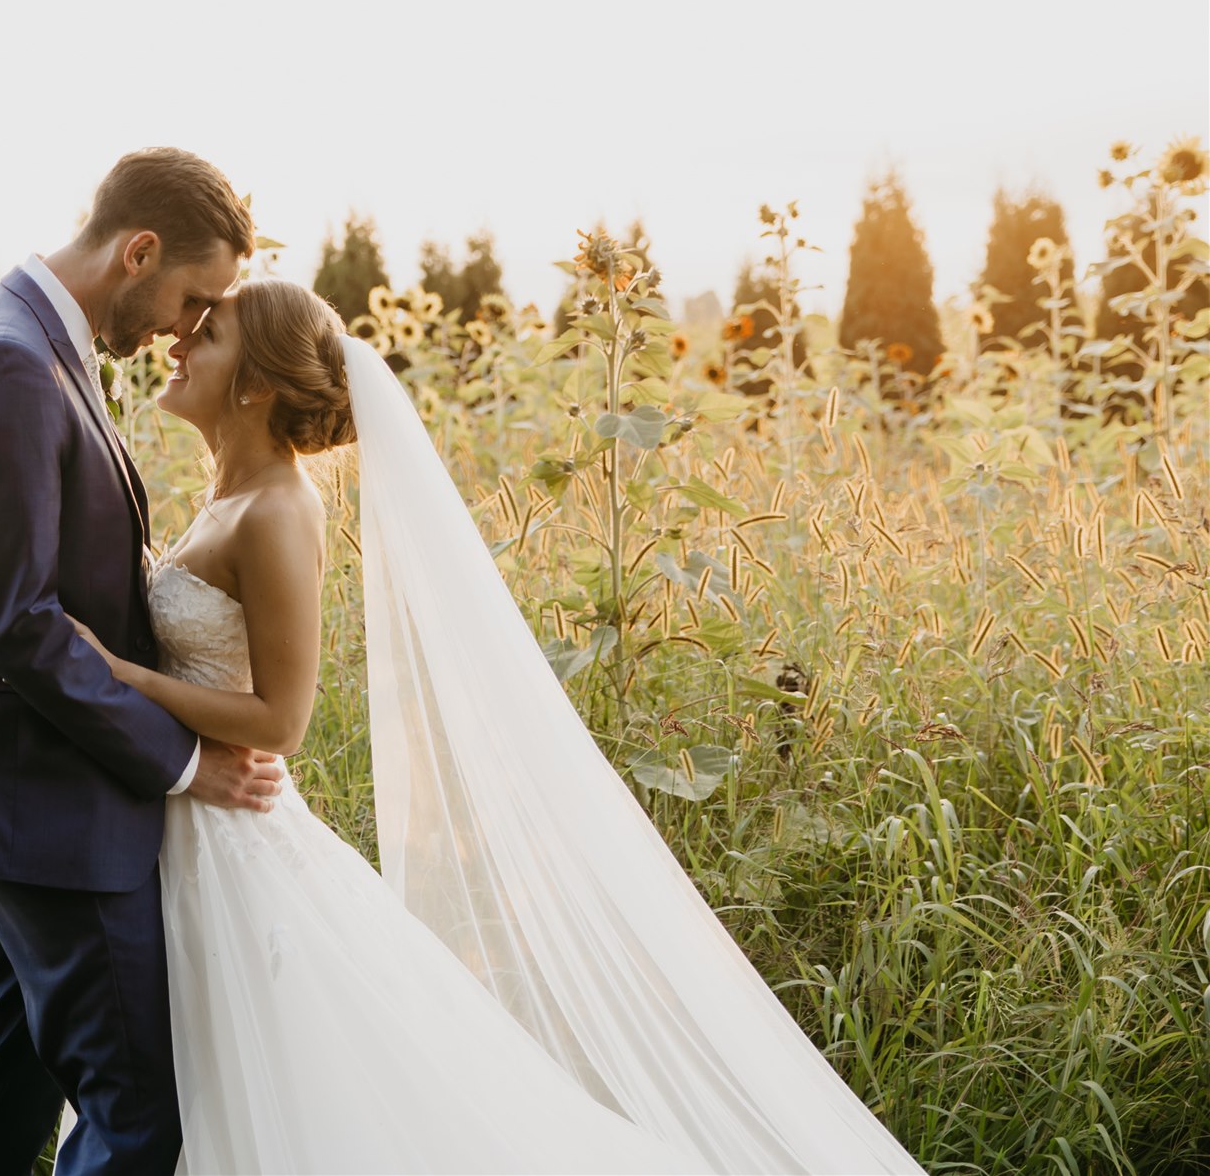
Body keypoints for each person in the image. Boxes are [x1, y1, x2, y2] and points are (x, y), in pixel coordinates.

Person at [64, 277, 927, 1174]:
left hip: (234, 835)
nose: (179, 342)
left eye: (209, 333)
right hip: (186, 824)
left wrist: (117, 674)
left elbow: (282, 718)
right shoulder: (231, 494)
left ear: (256, 382)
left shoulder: (278, 509)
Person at [0, 147, 285, 1174]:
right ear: (138, 250)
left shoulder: (38, 349)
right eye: (191, 297)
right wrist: (187, 761)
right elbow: (17, 622)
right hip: (52, 810)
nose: (184, 328)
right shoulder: (10, 366)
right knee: (133, 1122)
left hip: (29, 806)